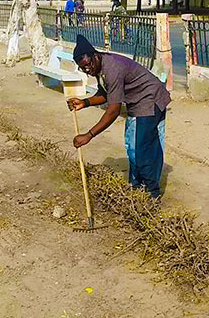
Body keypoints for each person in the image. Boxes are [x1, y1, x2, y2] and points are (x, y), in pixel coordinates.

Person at [67, 35, 171, 199]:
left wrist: (89, 135)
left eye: (88, 65)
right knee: (133, 147)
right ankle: (136, 189)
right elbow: (106, 94)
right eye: (83, 68)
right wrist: (84, 102)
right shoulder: (98, 66)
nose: (87, 70)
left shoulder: (113, 69)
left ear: (95, 55)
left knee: (143, 150)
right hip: (136, 103)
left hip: (150, 99)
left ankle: (152, 195)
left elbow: (113, 110)